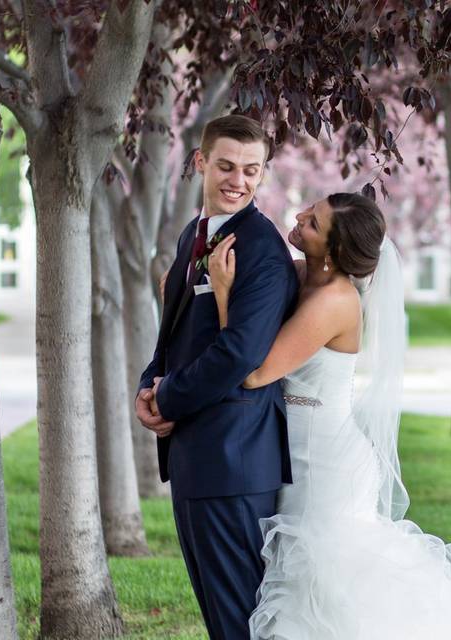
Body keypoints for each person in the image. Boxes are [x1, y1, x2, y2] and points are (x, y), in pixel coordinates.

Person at [207, 192, 451, 639]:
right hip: (302, 447)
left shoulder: (334, 300)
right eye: (310, 208)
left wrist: (221, 294)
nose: (298, 216)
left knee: (322, 587)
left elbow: (252, 373)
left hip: (323, 464)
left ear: (331, 252)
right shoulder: (299, 275)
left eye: (312, 223)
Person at [135, 114, 300, 639]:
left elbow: (240, 354)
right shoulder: (194, 235)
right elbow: (175, 330)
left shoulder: (263, 251)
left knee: (239, 622)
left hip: (235, 462)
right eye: (226, 166)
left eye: (252, 170)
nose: (239, 180)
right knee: (218, 617)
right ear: (201, 161)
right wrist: (149, 384)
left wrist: (169, 400)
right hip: (196, 458)